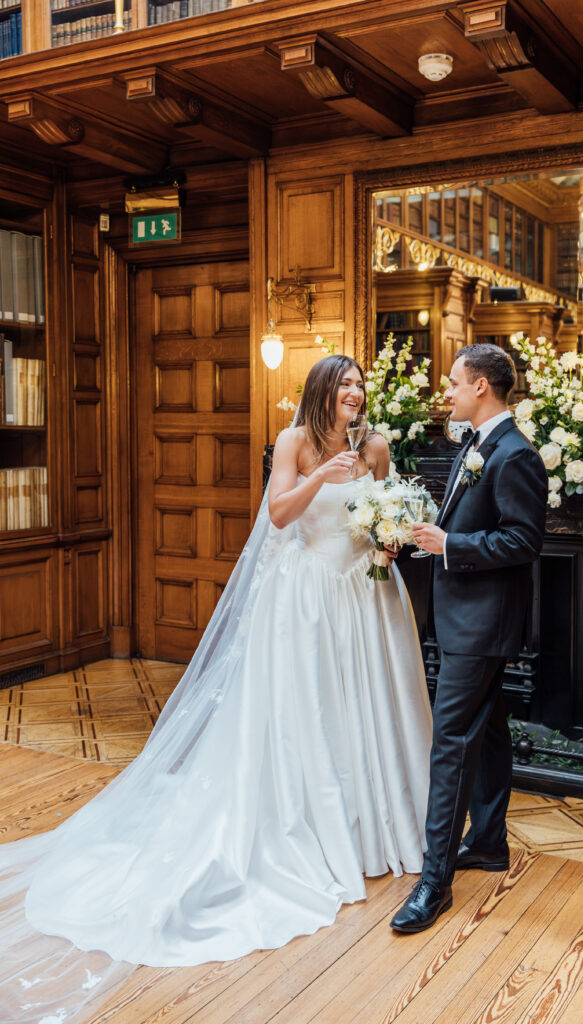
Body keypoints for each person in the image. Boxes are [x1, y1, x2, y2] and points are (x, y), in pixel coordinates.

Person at [0, 355, 432, 1024]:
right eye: (344, 386)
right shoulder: (294, 443)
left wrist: (388, 540)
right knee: (309, 715)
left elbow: (386, 511)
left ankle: (377, 826)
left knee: (363, 711)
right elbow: (280, 517)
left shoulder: (375, 444)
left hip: (363, 600)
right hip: (308, 598)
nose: (354, 395)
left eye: (358, 387)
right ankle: (316, 833)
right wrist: (320, 473)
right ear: (323, 392)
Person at [390, 343, 548, 934]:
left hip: (482, 625)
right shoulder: (476, 445)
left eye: (454, 383)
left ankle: (434, 883)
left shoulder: (514, 455)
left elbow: (523, 541)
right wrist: (416, 538)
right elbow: (457, 521)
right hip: (465, 617)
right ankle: (487, 841)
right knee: (490, 729)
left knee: (450, 742)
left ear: (482, 387)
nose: (447, 391)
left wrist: (449, 547)